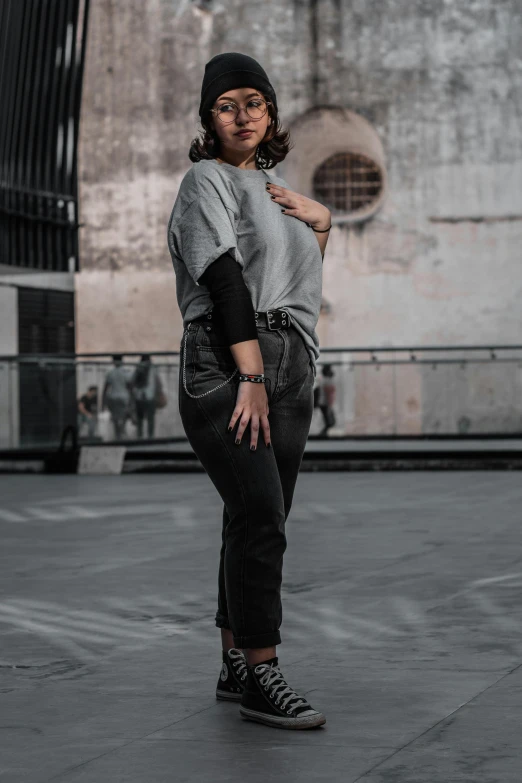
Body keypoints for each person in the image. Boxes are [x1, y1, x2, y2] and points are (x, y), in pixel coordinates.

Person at [167, 52, 332, 730]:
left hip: (291, 357)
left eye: (254, 103)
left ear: (270, 113)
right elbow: (225, 280)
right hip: (229, 359)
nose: (243, 115)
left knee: (253, 514)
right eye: (228, 104)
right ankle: (263, 672)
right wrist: (253, 378)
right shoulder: (205, 179)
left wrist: (321, 221)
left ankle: (235, 663)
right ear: (210, 117)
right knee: (261, 511)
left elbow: (302, 282)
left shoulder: (275, 187)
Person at [129, 354, 160, 438]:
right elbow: (157, 383)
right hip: (150, 397)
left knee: (140, 419)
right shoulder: (153, 368)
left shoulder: (138, 368)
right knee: (150, 419)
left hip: (139, 397)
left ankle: (140, 437)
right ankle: (150, 437)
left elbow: (132, 381)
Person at [101, 355, 130, 440]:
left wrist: (103, 402)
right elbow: (130, 387)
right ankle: (121, 431)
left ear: (113, 362)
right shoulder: (125, 372)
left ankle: (118, 435)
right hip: (123, 398)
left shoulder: (110, 373)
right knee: (123, 415)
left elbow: (105, 389)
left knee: (115, 417)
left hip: (113, 398)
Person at [316, 363, 337, 437]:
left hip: (324, 403)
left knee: (329, 421)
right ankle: (322, 434)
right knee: (330, 422)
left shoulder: (323, 379)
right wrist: (329, 406)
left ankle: (323, 434)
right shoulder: (327, 380)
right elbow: (329, 394)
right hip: (326, 404)